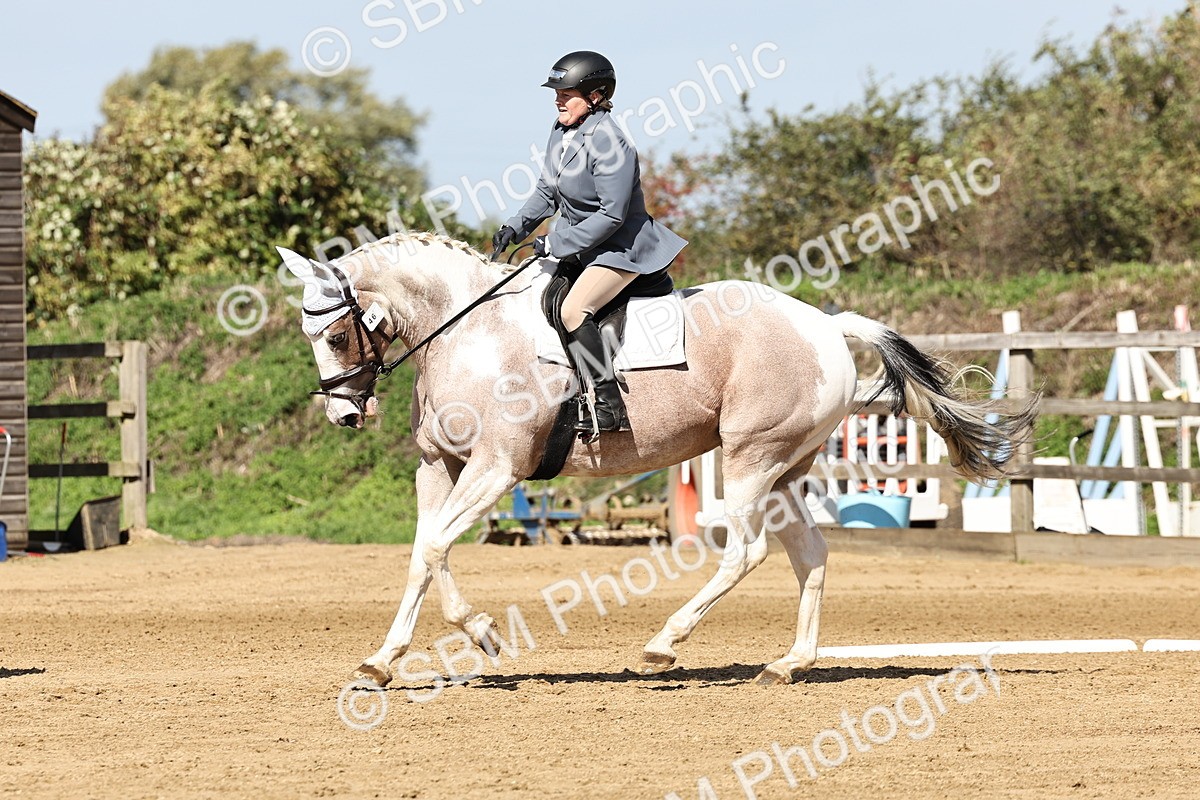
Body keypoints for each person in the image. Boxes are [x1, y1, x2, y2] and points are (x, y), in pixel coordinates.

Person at [492, 51, 687, 435]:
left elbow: (612, 216)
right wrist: (516, 226)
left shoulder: (612, 144)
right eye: (557, 92)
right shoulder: (561, 131)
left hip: (622, 247)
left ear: (596, 95)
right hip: (583, 244)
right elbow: (548, 192)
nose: (558, 98)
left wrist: (555, 242)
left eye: (566, 92)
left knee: (573, 310)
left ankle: (608, 406)